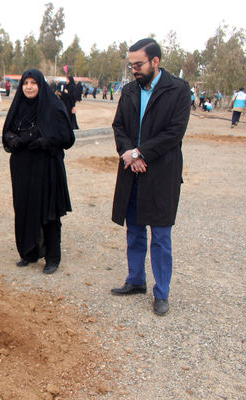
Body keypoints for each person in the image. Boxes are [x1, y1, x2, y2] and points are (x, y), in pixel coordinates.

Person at [110, 38, 191, 316]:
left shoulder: (178, 89)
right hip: (132, 172)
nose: (134, 69)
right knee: (134, 230)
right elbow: (118, 125)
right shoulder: (130, 90)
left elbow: (174, 132)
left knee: (160, 236)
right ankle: (135, 280)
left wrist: (141, 153)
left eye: (138, 64)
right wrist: (129, 154)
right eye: (131, 64)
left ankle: (162, 292)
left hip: (161, 174)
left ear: (155, 61)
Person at [2, 69, 75, 274]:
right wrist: (12, 139)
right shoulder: (18, 106)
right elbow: (8, 130)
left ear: (41, 85)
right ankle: (28, 251)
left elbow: (67, 137)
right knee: (24, 208)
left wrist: (45, 141)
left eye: (34, 83)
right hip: (22, 167)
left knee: (48, 210)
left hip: (46, 168)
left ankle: (52, 257)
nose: (29, 87)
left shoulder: (53, 107)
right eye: (26, 83)